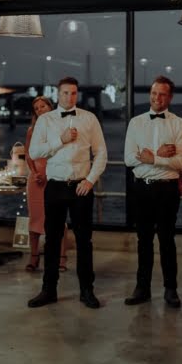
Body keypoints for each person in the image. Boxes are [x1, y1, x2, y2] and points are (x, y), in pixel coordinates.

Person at [27, 77, 109, 309]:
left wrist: (90, 180)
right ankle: (48, 290)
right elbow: (34, 152)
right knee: (52, 240)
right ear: (57, 94)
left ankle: (87, 290)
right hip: (55, 186)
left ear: (77, 94)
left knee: (84, 241)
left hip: (81, 187)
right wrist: (59, 140)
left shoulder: (89, 119)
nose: (69, 97)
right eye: (65, 93)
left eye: (73, 93)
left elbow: (101, 153)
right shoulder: (45, 120)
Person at [123, 76, 182, 307]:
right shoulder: (135, 122)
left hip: (167, 189)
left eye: (162, 94)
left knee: (167, 240)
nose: (157, 98)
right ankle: (142, 288)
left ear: (170, 97)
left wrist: (152, 158)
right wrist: (158, 155)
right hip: (141, 188)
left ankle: (171, 289)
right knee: (143, 240)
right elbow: (129, 159)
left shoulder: (179, 124)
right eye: (154, 93)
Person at [23, 96, 55, 271]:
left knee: (55, 219)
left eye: (43, 106)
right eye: (37, 108)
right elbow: (28, 155)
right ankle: (33, 256)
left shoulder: (59, 129)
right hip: (35, 179)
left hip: (54, 176)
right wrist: (35, 173)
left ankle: (60, 258)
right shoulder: (32, 130)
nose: (40, 110)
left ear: (50, 107)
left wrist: (47, 174)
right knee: (34, 218)